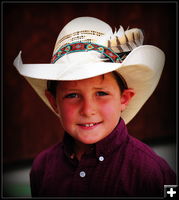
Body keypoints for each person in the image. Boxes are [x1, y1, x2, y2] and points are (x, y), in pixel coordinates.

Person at [13, 16, 176, 197]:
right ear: (54, 102)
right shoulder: (42, 168)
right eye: (72, 95)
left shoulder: (152, 173)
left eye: (101, 93)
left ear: (124, 99)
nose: (88, 109)